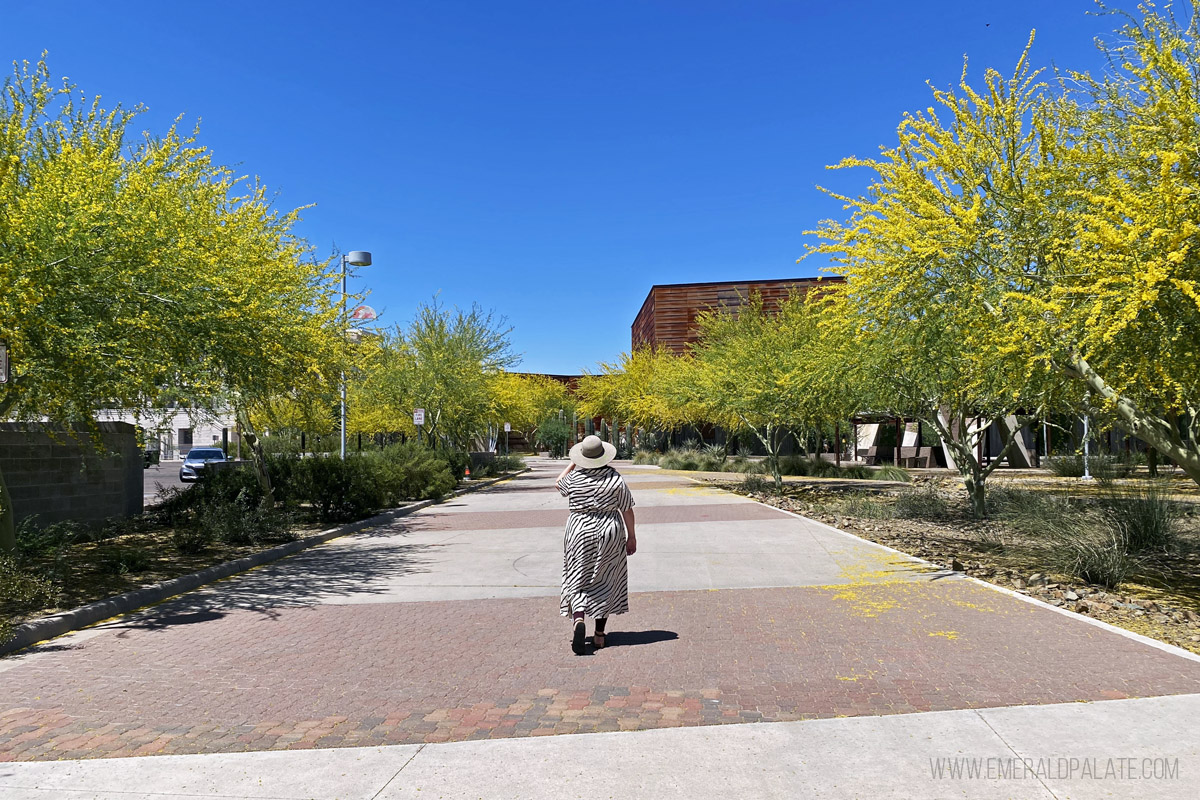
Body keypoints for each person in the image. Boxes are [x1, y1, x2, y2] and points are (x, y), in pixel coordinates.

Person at [555, 434, 637, 655]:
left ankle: (579, 617)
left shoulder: (575, 478)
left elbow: (558, 484)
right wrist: (631, 536)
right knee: (606, 579)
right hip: (609, 529)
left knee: (577, 576)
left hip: (579, 529)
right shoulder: (615, 478)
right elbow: (627, 509)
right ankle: (599, 635)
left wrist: (574, 463)